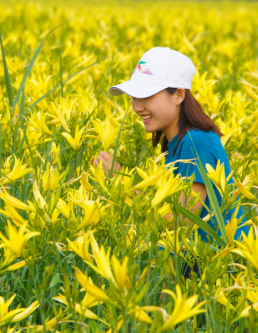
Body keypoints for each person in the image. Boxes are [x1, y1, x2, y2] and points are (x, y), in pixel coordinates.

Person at [93, 47, 249, 278]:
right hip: (200, 267)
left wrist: (120, 183)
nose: (136, 106)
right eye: (135, 97)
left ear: (178, 95)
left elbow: (179, 220)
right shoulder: (176, 145)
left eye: (146, 96)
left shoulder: (196, 142)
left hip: (224, 271)